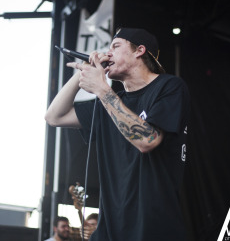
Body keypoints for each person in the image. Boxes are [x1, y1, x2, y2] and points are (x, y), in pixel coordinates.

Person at [45, 27, 190, 241]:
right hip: (109, 230)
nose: (108, 53)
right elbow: (54, 116)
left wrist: (102, 89)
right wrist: (83, 74)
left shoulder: (169, 87)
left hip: (152, 227)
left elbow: (147, 140)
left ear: (139, 50)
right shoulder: (109, 103)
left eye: (116, 46)